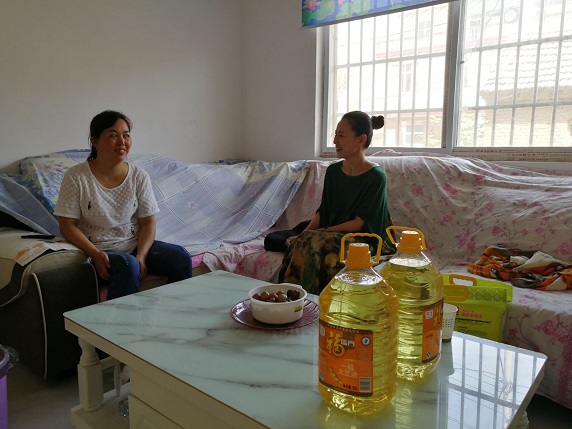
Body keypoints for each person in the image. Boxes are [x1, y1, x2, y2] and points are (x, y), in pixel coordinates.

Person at [54, 110, 192, 299]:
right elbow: (67, 225)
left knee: (180, 257)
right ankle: (121, 319)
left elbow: (148, 222)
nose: (122, 142)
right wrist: (95, 254)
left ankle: (174, 313)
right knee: (128, 265)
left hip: (132, 245)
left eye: (126, 135)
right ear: (94, 141)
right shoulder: (76, 177)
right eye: (113, 135)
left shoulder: (138, 176)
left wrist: (142, 255)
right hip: (97, 250)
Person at [278, 111, 394, 295]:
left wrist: (321, 232)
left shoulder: (376, 176)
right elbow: (323, 212)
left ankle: (315, 302)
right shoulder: (333, 172)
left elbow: (359, 224)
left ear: (360, 139)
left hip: (365, 239)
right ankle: (291, 298)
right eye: (335, 134)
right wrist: (303, 233)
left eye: (341, 135)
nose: (334, 141)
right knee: (302, 242)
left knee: (319, 245)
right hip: (333, 233)